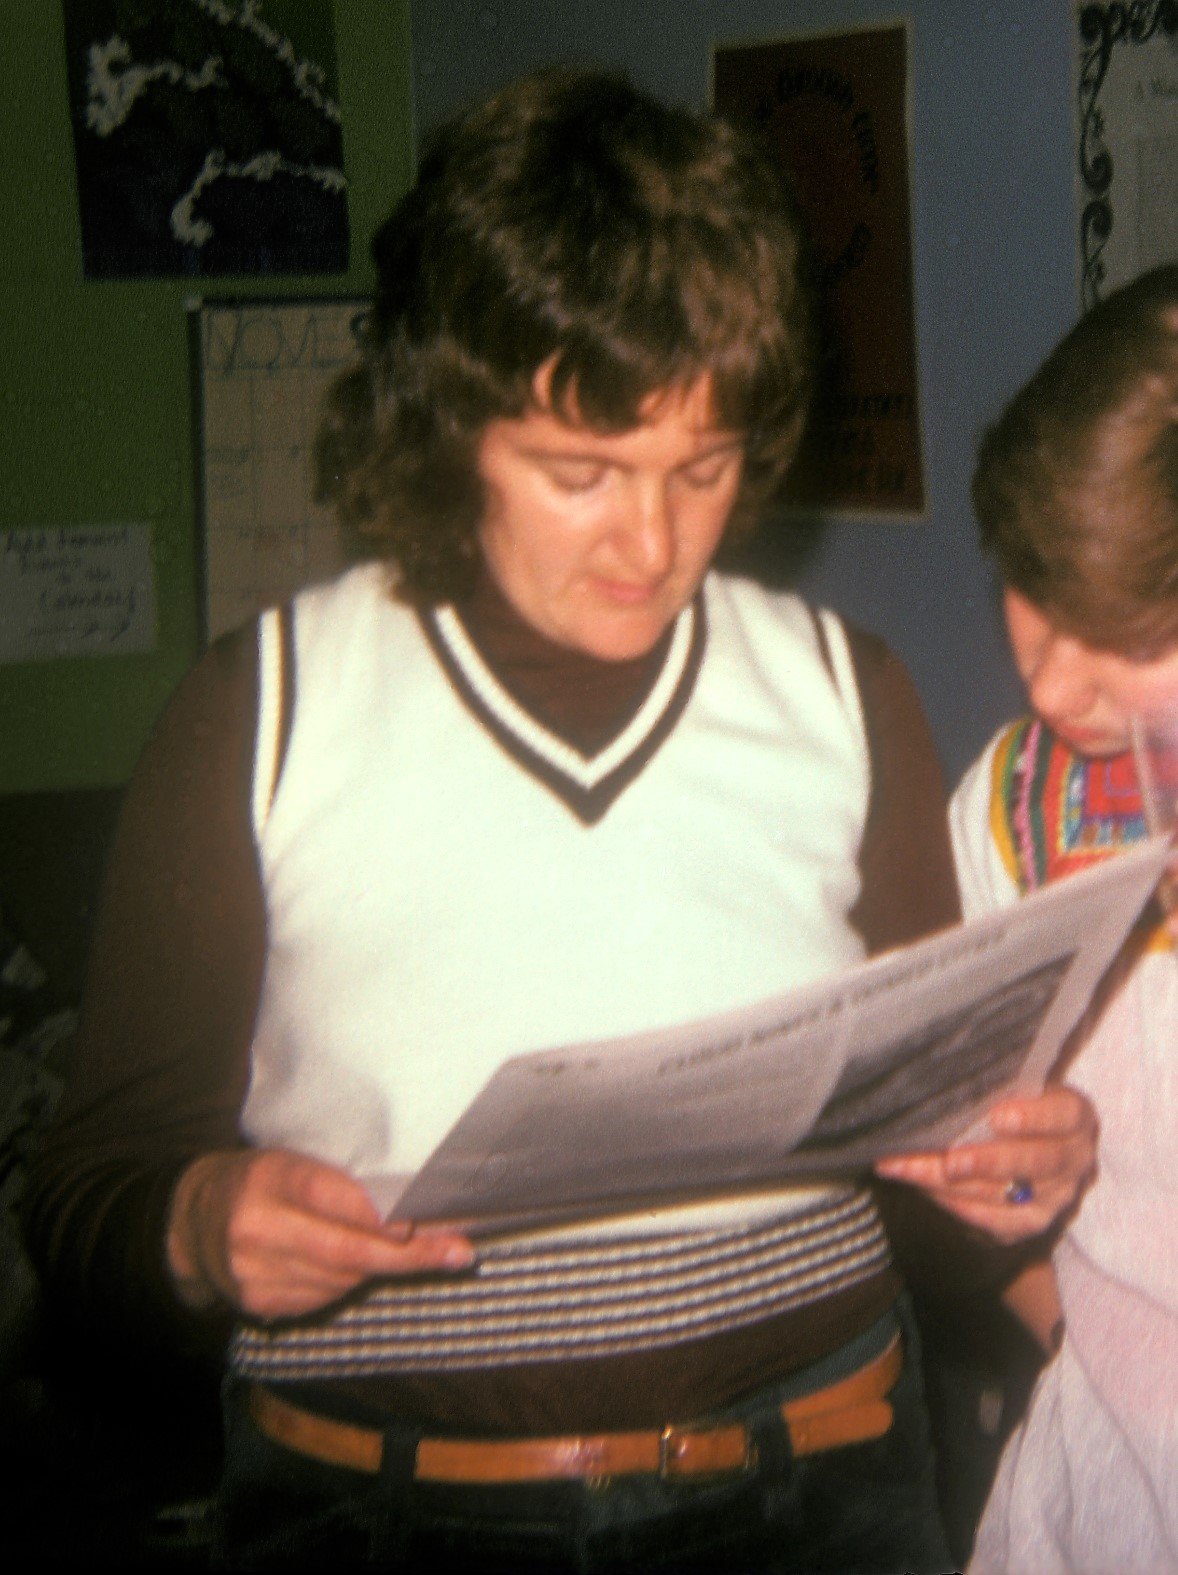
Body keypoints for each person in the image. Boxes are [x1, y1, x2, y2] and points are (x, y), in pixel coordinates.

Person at [24, 69, 1096, 1573]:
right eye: (576, 473)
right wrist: (200, 1224)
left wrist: (998, 1177)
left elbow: (916, 1171)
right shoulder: (259, 709)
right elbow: (85, 1195)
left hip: (823, 1486)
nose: (649, 542)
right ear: (451, 426)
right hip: (384, 1515)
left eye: (700, 470)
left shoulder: (846, 693)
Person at [949, 263, 1178, 1573]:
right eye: (1028, 588)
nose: (1045, 680)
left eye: (1115, 632)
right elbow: (979, 1195)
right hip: (1090, 1510)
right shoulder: (1011, 811)